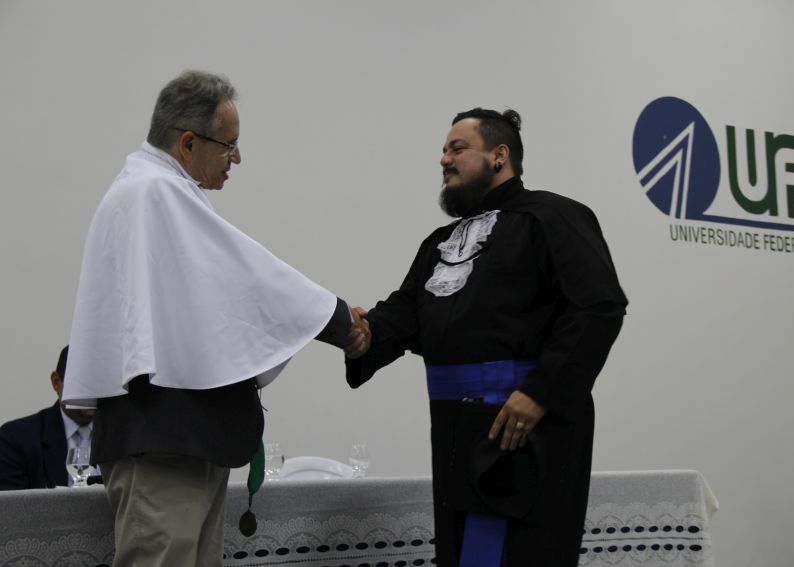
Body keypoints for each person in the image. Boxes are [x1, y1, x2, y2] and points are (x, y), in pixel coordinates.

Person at [62, 70, 369, 567]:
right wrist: (336, 319)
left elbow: (214, 305)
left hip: (181, 440)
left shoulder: (155, 193)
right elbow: (246, 276)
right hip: (162, 445)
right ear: (188, 143)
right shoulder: (153, 192)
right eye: (229, 145)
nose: (237, 158)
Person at [345, 108, 627, 566]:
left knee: (522, 555)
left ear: (500, 155)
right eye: (443, 151)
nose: (444, 159)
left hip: (525, 424)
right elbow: (406, 311)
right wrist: (366, 332)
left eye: (457, 149)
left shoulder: (553, 216)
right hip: (454, 426)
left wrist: (540, 393)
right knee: (461, 552)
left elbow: (598, 307)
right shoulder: (440, 242)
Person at [0, 345, 95, 490]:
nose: (92, 392)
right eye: (82, 383)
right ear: (56, 382)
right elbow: (14, 503)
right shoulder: (16, 439)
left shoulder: (124, 435)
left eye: (99, 384)